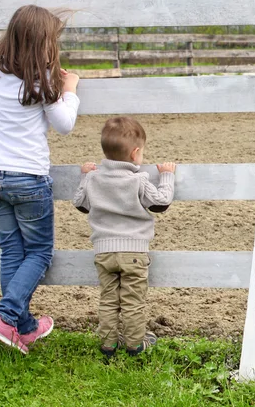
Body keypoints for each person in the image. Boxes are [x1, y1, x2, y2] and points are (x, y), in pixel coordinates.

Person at [0, 5, 80, 355]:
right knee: (39, 252)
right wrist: (69, 89)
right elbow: (65, 124)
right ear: (43, 44)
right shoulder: (43, 83)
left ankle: (22, 328)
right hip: (28, 179)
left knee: (12, 249)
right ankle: (4, 316)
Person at [73, 116, 175, 357]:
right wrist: (167, 176)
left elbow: (80, 204)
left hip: (104, 252)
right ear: (135, 153)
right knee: (132, 301)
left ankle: (108, 345)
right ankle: (135, 344)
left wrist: (84, 176)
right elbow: (161, 203)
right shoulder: (138, 180)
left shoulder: (94, 179)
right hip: (134, 253)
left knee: (109, 300)